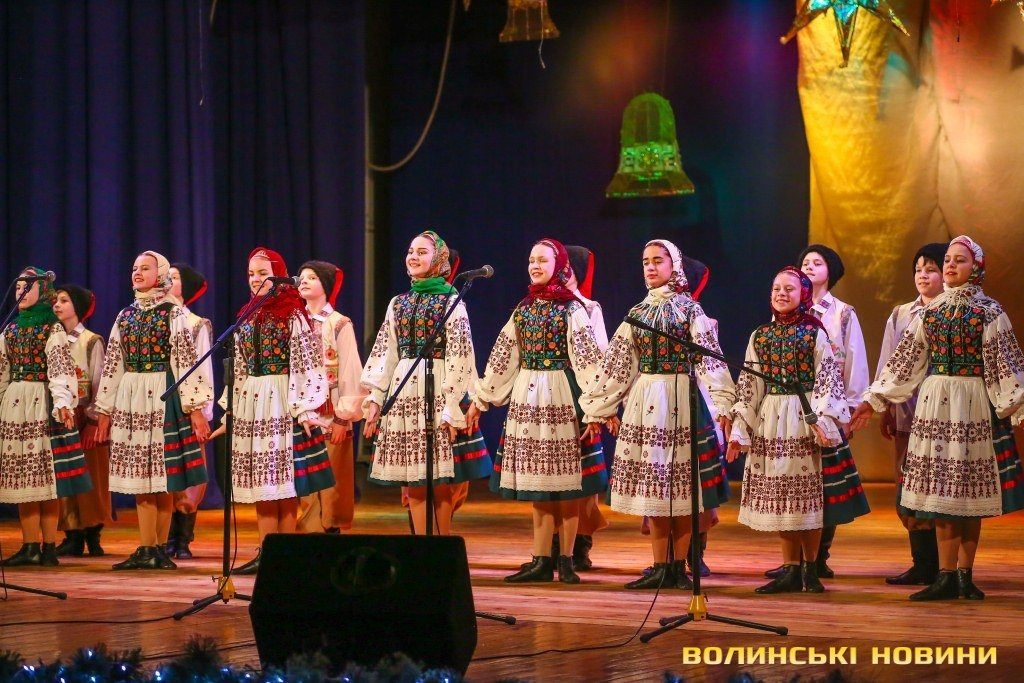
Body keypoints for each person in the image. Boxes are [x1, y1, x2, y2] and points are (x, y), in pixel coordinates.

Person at [850, 236, 1024, 600]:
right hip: (936, 403)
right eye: (948, 260)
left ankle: (964, 575)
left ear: (976, 267)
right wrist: (874, 399)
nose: (950, 266)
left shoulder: (990, 312)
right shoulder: (929, 313)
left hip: (973, 402)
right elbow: (904, 361)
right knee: (942, 492)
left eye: (959, 260)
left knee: (968, 493)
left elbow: (1005, 362)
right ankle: (945, 575)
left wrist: (1015, 403)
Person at [580, 240, 734, 589]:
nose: (650, 267)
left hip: (681, 396)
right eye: (645, 262)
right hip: (647, 400)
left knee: (681, 490)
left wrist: (725, 403)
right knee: (656, 489)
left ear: (673, 265)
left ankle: (678, 566)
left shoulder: (690, 310)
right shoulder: (637, 313)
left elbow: (710, 359)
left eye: (657, 261)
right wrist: (598, 408)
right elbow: (618, 364)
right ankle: (661, 566)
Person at [466, 238, 608, 584]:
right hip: (529, 396)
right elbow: (504, 356)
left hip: (561, 393)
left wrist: (595, 410)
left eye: (543, 260)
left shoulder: (573, 309)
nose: (535, 266)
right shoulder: (524, 309)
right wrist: (481, 400)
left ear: (559, 266)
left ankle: (567, 559)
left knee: (567, 487)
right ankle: (541, 559)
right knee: (540, 487)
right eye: (531, 260)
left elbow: (588, 362)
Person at [210, 247, 334, 575]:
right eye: (251, 274)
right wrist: (230, 412)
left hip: (283, 397)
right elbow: (239, 367)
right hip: (254, 400)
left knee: (284, 482)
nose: (255, 279)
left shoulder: (293, 314)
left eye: (263, 273)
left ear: (278, 276)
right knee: (263, 483)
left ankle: (284, 553)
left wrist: (305, 409)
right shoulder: (246, 315)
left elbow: (306, 362)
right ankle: (266, 552)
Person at [727, 267, 848, 593]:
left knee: (806, 497)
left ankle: (810, 568)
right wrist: (741, 428)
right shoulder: (760, 335)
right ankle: (790, 568)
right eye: (776, 288)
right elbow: (750, 384)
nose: (781, 294)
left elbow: (827, 379)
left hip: (803, 417)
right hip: (771, 419)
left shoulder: (814, 333)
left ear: (803, 294)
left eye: (789, 289)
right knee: (782, 495)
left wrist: (823, 421)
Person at [361, 231, 491, 535]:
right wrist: (376, 397)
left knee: (440, 481)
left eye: (422, 252)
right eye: (410, 251)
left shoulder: (452, 301)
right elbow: (386, 351)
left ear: (439, 259)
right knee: (414, 480)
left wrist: (453, 404)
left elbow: (461, 353)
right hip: (405, 391)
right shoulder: (398, 303)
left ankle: (441, 547)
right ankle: (421, 547)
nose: (413, 257)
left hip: (439, 388)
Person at [94, 251, 212, 570]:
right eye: (134, 268)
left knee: (158, 479)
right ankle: (153, 547)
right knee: (144, 477)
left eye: (145, 268)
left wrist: (195, 408)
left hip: (161, 395)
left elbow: (185, 362)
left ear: (159, 274)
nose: (137, 272)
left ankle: (153, 548)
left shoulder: (173, 314)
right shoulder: (125, 315)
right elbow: (113, 363)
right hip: (132, 396)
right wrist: (104, 411)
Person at [762, 244, 870, 580]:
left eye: (817, 262)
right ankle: (793, 560)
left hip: (826, 408)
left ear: (830, 271)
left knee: (825, 485)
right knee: (792, 483)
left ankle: (817, 557)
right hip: (789, 410)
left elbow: (853, 361)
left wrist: (847, 411)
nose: (809, 266)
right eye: (805, 262)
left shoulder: (842, 313)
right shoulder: (786, 308)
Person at [0, 268, 92, 567]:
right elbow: (3, 369)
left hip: (42, 402)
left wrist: (63, 403)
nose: (21, 292)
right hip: (16, 404)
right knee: (23, 478)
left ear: (44, 293)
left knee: (46, 479)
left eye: (28, 287)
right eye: (18, 287)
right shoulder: (10, 329)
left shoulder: (53, 329)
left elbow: (60, 368)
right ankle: (29, 546)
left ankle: (49, 546)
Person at [874, 243, 947, 586]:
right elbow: (889, 363)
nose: (923, 275)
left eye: (931, 269)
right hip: (908, 415)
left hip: (943, 418)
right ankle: (922, 562)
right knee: (907, 486)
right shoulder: (902, 314)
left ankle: (945, 564)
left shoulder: (953, 312)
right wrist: (886, 408)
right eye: (918, 269)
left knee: (940, 486)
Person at [296, 260, 366, 534]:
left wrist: (342, 417)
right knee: (306, 485)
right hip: (302, 415)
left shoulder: (338, 323)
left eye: (311, 277)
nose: (303, 281)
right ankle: (310, 536)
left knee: (332, 483)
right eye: (301, 277)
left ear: (325, 285)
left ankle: (330, 532)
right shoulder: (294, 322)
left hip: (331, 414)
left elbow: (350, 370)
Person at [52, 283, 111, 557]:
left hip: (84, 416)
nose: (57, 305)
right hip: (62, 416)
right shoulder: (53, 340)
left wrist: (94, 420)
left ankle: (93, 533)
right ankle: (72, 533)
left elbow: (100, 382)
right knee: (65, 475)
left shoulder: (90, 341)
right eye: (56, 300)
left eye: (64, 300)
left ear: (77, 306)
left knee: (92, 476)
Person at [162, 262, 214, 560]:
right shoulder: (153, 317)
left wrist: (202, 413)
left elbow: (203, 370)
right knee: (163, 471)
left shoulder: (195, 324)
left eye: (175, 276)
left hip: (187, 405)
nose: (169, 280)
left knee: (189, 473)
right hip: (160, 404)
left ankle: (182, 539)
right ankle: (162, 536)